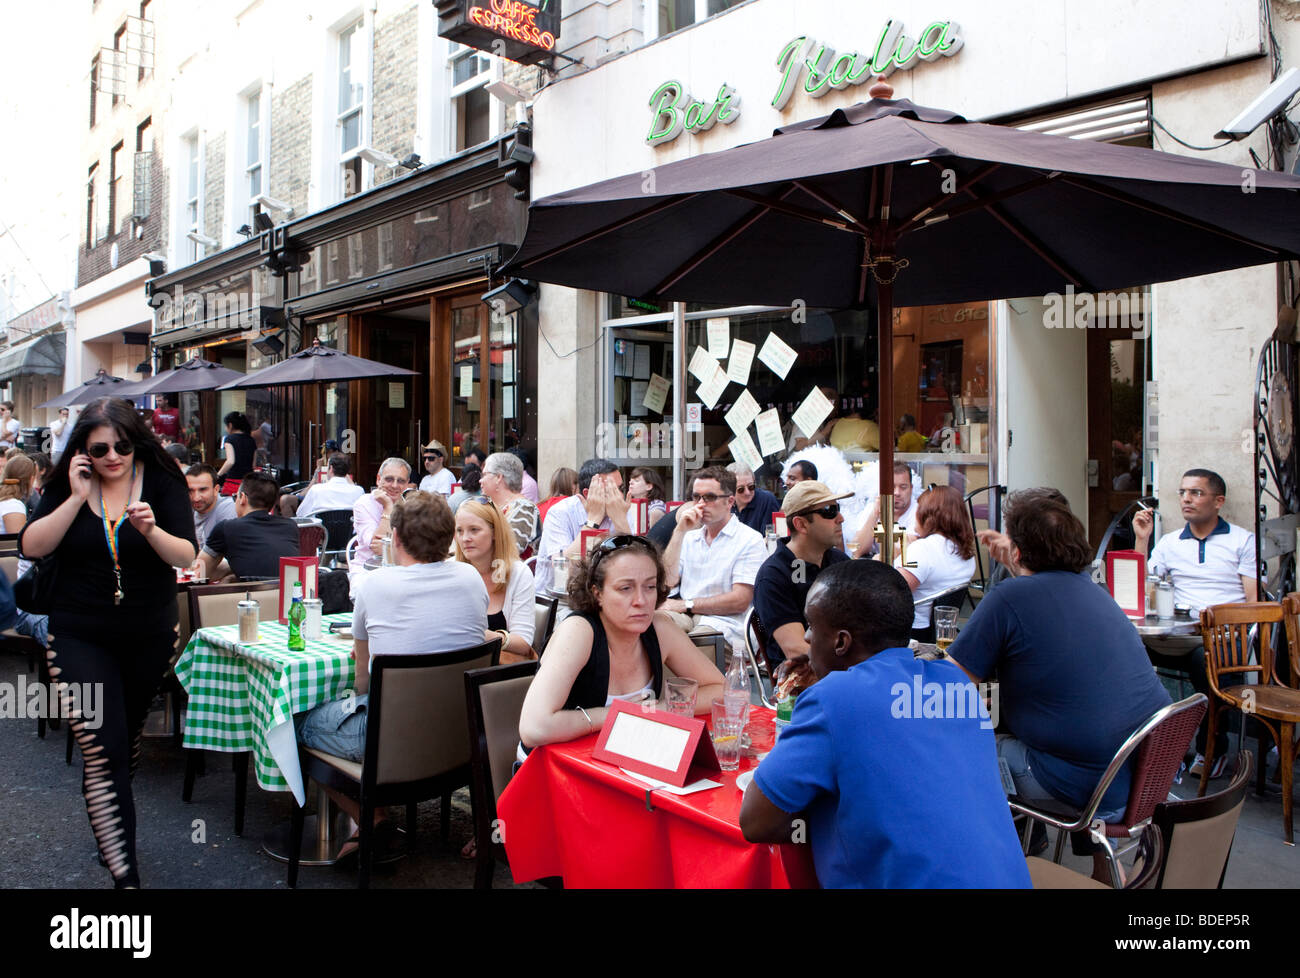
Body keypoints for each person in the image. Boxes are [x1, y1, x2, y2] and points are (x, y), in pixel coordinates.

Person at [740, 560, 1031, 888]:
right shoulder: (955, 682)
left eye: (811, 625)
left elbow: (756, 822)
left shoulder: (833, 698)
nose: (806, 637)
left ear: (841, 643)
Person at [948, 488, 1170, 881]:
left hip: (1082, 785)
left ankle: (998, 870)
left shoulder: (1009, 596)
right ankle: (1102, 868)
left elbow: (951, 684)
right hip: (1141, 778)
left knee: (965, 751)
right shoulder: (1096, 592)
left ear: (1016, 553)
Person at [20, 396, 197, 888]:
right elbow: (31, 547)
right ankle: (127, 877)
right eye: (101, 449)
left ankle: (107, 823)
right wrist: (76, 497)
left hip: (149, 633)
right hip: (78, 632)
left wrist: (150, 529)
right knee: (105, 750)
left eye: (122, 445)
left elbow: (186, 554)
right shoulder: (68, 483)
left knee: (125, 739)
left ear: (135, 440)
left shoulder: (161, 480)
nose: (113, 457)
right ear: (83, 450)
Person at [295, 492, 488, 850]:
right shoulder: (471, 578)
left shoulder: (376, 585)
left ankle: (370, 817)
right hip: (459, 735)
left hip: (390, 741)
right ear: (449, 537)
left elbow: (362, 681)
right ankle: (371, 815)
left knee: (295, 721)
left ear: (395, 538)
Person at [519, 536, 724, 750]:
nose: (641, 601)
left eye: (650, 586)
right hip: (553, 768)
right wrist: (620, 713)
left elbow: (720, 690)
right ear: (597, 593)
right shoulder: (579, 631)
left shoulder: (660, 628)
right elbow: (534, 728)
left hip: (623, 757)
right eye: (625, 588)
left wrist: (661, 709)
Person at [1133, 468, 1257, 779]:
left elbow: (1254, 604)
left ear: (1218, 501)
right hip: (1176, 634)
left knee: (1207, 660)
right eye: (1183, 492)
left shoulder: (1243, 541)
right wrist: (1141, 539)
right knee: (1122, 649)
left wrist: (1219, 621)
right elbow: (1138, 591)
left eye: (1196, 493)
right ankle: (1135, 743)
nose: (1187, 499)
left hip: (1222, 638)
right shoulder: (1170, 543)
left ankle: (1211, 749)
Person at [659, 465, 767, 653]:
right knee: (652, 625)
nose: (700, 504)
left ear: (730, 501)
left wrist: (687, 604)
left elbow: (740, 600)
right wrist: (679, 531)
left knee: (691, 645)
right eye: (696, 497)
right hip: (688, 616)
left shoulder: (750, 540)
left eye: (709, 497)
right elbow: (667, 580)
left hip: (727, 624)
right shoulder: (689, 538)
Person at [751, 480, 852, 673]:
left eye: (837, 508)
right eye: (829, 511)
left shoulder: (838, 561)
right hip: (801, 683)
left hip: (843, 671)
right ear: (801, 524)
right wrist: (857, 663)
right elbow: (796, 649)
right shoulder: (774, 575)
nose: (840, 518)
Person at [454, 498, 536, 662]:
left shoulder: (518, 574)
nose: (465, 538)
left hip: (496, 678)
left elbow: (524, 643)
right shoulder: (449, 571)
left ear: (495, 533)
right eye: (459, 531)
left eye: (474, 530)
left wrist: (478, 634)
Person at [534, 458, 632, 595]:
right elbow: (563, 571)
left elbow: (635, 564)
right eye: (611, 490)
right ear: (587, 493)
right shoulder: (560, 512)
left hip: (604, 597)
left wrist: (621, 523)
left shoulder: (622, 510)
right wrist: (592, 522)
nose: (619, 496)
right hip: (560, 599)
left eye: (620, 489)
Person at [898, 486, 976, 642]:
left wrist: (879, 559)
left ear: (929, 515)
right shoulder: (966, 552)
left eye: (919, 509)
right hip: (940, 632)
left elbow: (892, 593)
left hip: (910, 633)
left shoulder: (923, 550)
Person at [198, 471, 300, 581]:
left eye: (235, 497)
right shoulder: (291, 526)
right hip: (289, 595)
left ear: (242, 498)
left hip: (250, 595)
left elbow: (199, 572)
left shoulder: (227, 528)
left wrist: (230, 570)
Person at [349, 457, 411, 580]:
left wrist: (390, 548)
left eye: (401, 481)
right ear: (378, 479)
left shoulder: (411, 505)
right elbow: (376, 548)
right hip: (367, 570)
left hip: (404, 570)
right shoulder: (363, 503)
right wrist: (388, 507)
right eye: (389, 479)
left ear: (407, 484)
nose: (394, 485)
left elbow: (420, 546)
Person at [851, 461, 920, 557]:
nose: (897, 492)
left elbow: (904, 552)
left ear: (911, 488)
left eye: (903, 487)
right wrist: (875, 515)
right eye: (891, 487)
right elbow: (857, 551)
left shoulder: (919, 512)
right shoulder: (873, 507)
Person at [482, 451, 539, 556]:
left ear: (499, 477)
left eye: (485, 474)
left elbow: (509, 550)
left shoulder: (525, 508)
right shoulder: (494, 506)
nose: (481, 480)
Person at [185, 463, 237, 553]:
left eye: (203, 490)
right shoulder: (186, 508)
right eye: (190, 491)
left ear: (216, 490)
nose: (196, 498)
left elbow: (226, 557)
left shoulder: (227, 508)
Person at [298, 454, 365, 517]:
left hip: (322, 529)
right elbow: (363, 515)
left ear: (331, 468)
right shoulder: (359, 491)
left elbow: (300, 514)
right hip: (349, 529)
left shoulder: (316, 490)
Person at [728, 462, 779, 536]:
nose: (747, 492)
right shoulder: (725, 503)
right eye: (741, 489)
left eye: (751, 487)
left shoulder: (768, 499)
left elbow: (778, 535)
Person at [216, 411, 256, 493]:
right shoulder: (251, 440)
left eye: (226, 426)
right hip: (248, 483)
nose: (225, 429)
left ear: (230, 425)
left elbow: (230, 461)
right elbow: (253, 465)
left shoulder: (229, 439)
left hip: (233, 482)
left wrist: (217, 475)